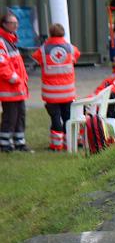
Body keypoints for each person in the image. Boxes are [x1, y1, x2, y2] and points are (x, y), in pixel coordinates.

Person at [31, 23, 80, 151]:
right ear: (63, 33)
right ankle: (68, 142)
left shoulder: (42, 50)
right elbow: (77, 56)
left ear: (50, 33)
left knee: (55, 117)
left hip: (51, 94)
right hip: (68, 92)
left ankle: (56, 145)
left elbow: (35, 57)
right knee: (67, 117)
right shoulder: (71, 49)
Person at [0, 11, 30, 153]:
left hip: (18, 88)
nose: (16, 25)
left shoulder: (11, 41)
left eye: (16, 22)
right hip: (9, 88)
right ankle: (5, 143)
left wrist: (22, 79)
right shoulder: (2, 42)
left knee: (20, 116)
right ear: (4, 24)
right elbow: (2, 65)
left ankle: (20, 143)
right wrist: (15, 78)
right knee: (10, 117)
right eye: (12, 23)